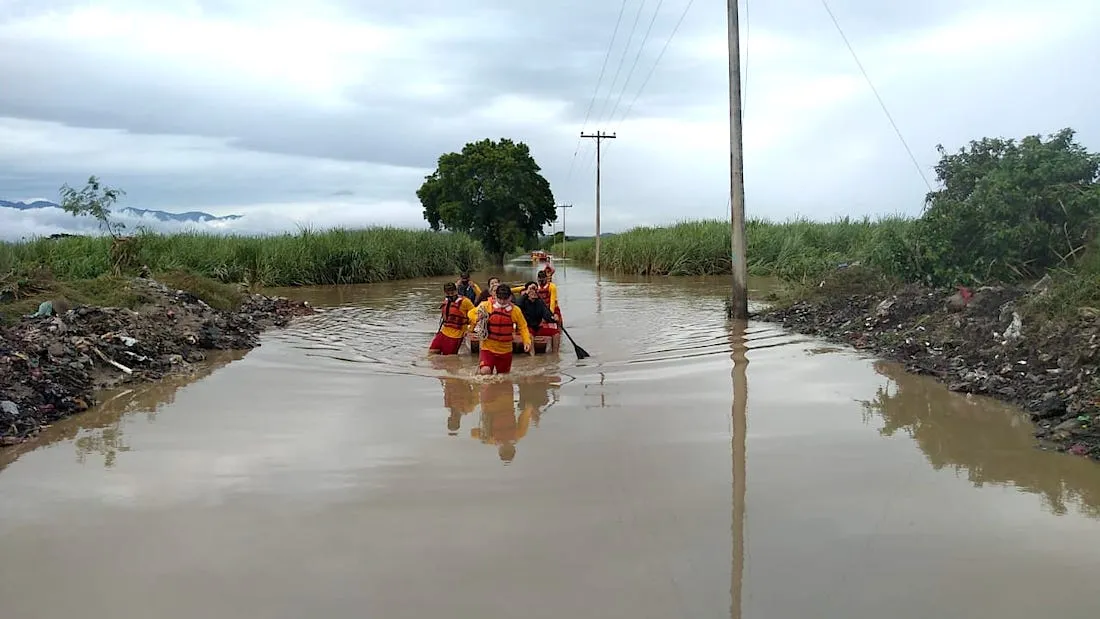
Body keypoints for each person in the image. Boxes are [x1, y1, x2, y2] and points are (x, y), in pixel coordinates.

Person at [468, 283, 531, 375]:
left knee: (503, 376)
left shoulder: (516, 311)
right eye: (500, 298)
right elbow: (470, 313)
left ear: (510, 298)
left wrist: (526, 341)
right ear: (495, 296)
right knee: (485, 371)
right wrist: (477, 318)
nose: (502, 302)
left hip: (505, 350)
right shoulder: (486, 305)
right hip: (488, 347)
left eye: (505, 299)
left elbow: (523, 327)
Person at [429, 282, 475, 355]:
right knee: (432, 352)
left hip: (456, 335)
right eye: (448, 293)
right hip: (443, 332)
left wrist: (470, 330)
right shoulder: (446, 301)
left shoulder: (465, 302)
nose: (450, 295)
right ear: (445, 293)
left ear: (456, 291)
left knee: (448, 358)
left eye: (452, 292)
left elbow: (475, 315)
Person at [514, 281, 558, 351]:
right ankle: (533, 358)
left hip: (537, 328)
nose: (533, 292)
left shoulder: (540, 302)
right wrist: (527, 292)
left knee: (556, 333)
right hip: (526, 328)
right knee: (530, 336)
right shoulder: (522, 301)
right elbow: (516, 305)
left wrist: (553, 317)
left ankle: (556, 355)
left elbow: (547, 314)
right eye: (531, 289)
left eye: (535, 289)